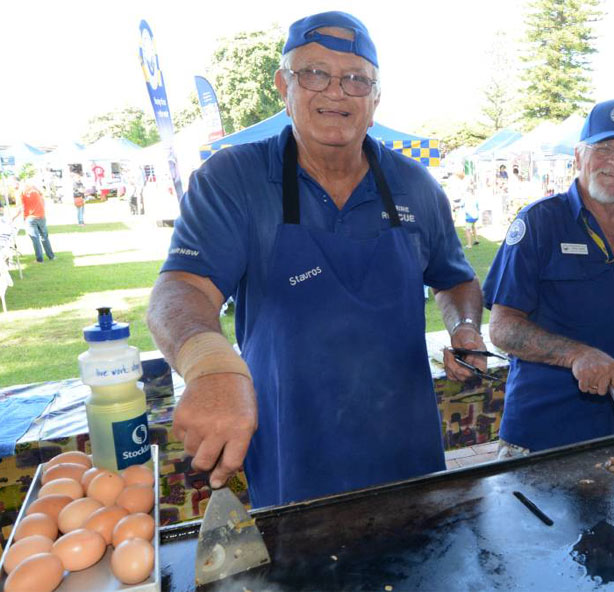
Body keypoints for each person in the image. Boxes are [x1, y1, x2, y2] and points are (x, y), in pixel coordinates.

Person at [146, 11, 486, 508]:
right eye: (314, 73)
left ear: (375, 100)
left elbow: (455, 280)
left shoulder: (417, 185)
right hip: (293, 448)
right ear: (284, 85)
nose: (336, 92)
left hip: (407, 447)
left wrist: (465, 327)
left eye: (356, 79)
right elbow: (183, 290)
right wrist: (210, 365)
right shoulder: (234, 178)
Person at [482, 99, 614, 457]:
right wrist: (576, 355)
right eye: (603, 149)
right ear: (578, 157)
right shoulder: (540, 222)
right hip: (542, 434)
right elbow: (502, 329)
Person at [12, 178, 55, 263]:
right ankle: (51, 256)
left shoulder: (20, 192)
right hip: (41, 216)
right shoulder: (35, 189)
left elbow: (20, 208)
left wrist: (13, 218)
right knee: (44, 237)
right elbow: (43, 199)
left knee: (35, 238)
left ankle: (39, 259)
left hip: (30, 218)